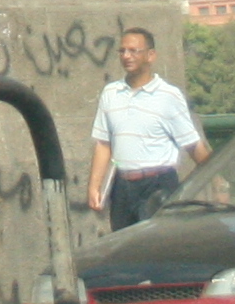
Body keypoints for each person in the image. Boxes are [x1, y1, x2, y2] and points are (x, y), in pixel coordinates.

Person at [86, 26, 209, 228]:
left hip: (157, 184)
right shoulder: (111, 93)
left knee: (156, 247)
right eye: (122, 51)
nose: (127, 56)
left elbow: (192, 145)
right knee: (124, 249)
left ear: (151, 55)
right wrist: (94, 186)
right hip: (122, 186)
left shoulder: (168, 95)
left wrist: (215, 176)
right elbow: (103, 144)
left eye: (134, 51)